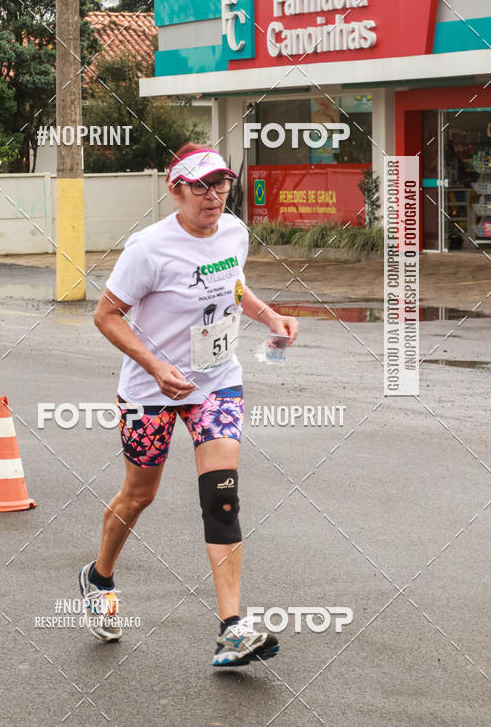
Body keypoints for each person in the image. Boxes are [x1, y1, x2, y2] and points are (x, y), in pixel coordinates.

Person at [79, 143, 299, 667]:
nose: (213, 195)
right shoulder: (149, 248)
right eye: (200, 186)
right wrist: (156, 366)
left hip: (216, 384)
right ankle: (99, 577)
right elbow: (106, 315)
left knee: (222, 498)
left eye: (220, 184)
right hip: (149, 391)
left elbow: (234, 285)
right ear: (175, 189)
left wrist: (269, 317)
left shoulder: (235, 231)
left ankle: (232, 628)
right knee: (140, 495)